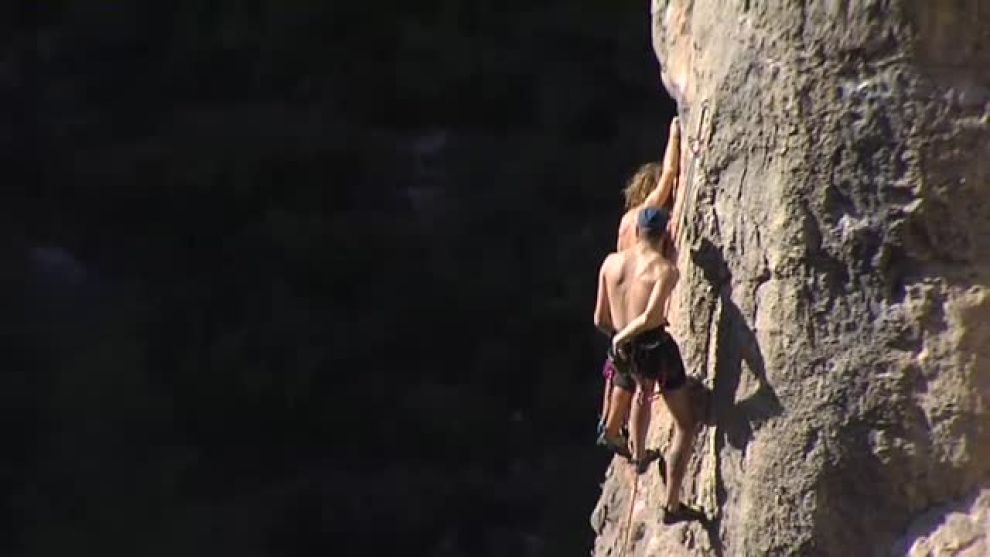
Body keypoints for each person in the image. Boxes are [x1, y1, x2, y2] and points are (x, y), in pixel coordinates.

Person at [593, 206, 703, 524]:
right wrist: (627, 335)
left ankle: (637, 453)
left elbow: (600, 319)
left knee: (640, 388)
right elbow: (651, 316)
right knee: (686, 424)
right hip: (653, 347)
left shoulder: (611, 263)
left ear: (637, 231)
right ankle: (672, 505)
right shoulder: (665, 271)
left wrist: (619, 338)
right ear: (665, 234)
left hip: (623, 349)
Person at [596, 117, 682, 443]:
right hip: (640, 295)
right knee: (641, 384)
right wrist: (675, 133)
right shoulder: (643, 216)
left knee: (619, 371)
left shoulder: (623, 222)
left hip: (619, 294)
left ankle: (609, 425)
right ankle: (637, 447)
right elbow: (670, 173)